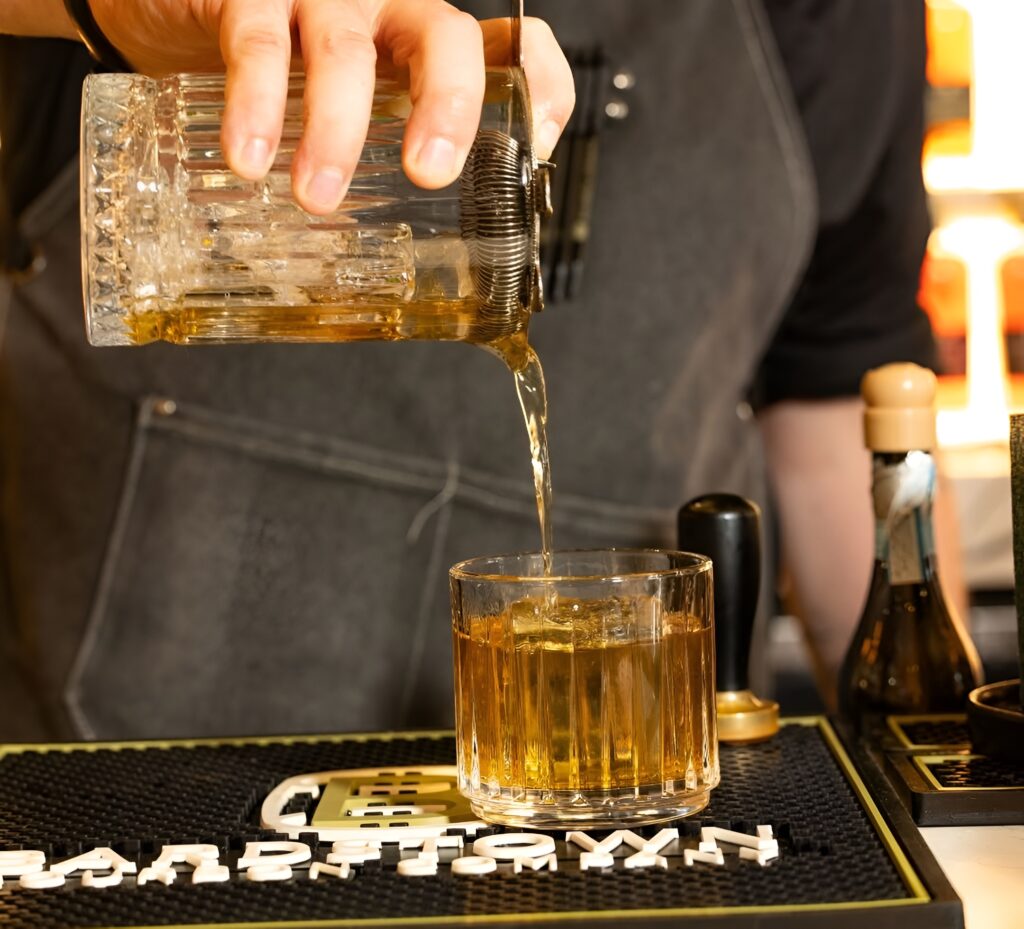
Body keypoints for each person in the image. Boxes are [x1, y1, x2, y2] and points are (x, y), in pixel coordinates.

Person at [0, 0, 939, 740]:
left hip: (617, 790)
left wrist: (931, 733)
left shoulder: (840, 18)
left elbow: (830, 415)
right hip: (146, 790)